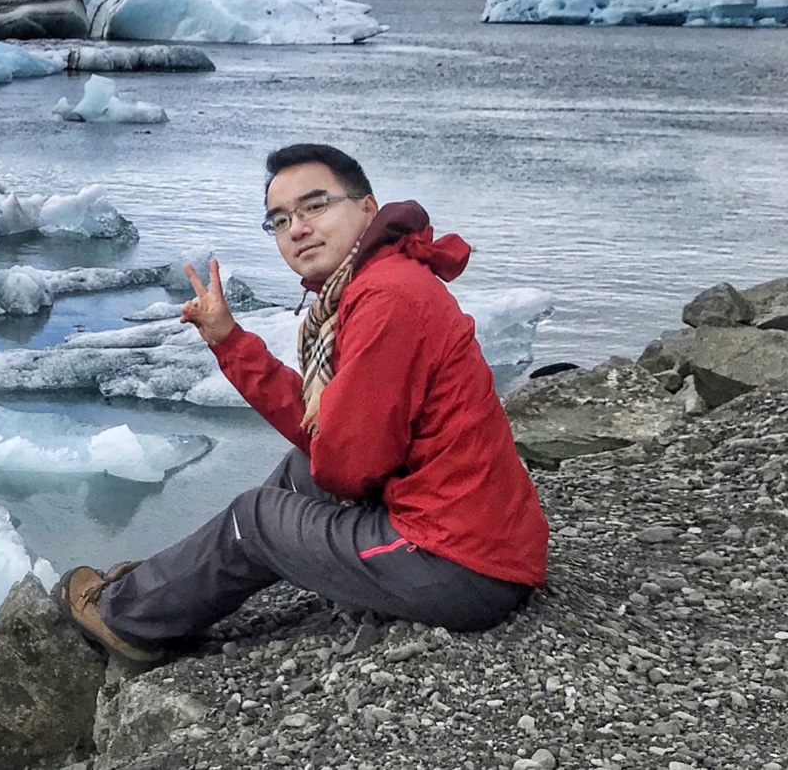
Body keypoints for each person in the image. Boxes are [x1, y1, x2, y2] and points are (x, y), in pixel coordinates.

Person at [55, 143, 547, 665]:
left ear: (366, 207)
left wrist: (295, 495)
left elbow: (350, 467)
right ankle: (174, 583)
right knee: (300, 471)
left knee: (257, 517)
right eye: (281, 218)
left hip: (461, 566)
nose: (297, 227)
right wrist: (228, 339)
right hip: (484, 541)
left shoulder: (387, 299)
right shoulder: (373, 283)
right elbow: (326, 438)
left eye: (315, 206)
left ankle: (126, 620)